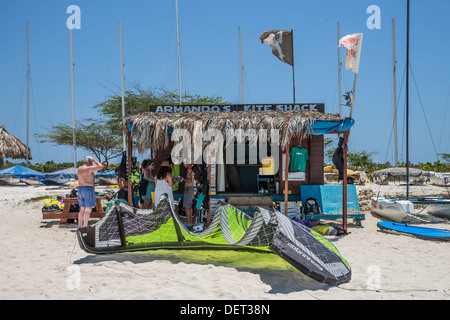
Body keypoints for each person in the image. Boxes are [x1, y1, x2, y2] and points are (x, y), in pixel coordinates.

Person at [77, 156, 103, 228]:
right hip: (88, 188)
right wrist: (95, 161)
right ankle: (85, 226)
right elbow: (101, 167)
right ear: (90, 162)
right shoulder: (89, 169)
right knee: (88, 209)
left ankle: (80, 226)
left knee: (82, 209)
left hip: (80, 189)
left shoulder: (79, 168)